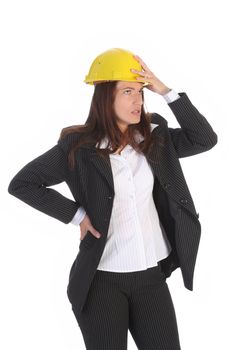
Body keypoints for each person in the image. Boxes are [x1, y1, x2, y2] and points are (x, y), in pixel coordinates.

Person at [8, 47, 218, 350]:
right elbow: (23, 184)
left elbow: (204, 139)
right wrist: (77, 216)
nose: (139, 100)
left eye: (142, 92)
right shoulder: (78, 148)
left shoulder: (156, 139)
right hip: (100, 281)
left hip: (151, 278)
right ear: (106, 98)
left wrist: (165, 90)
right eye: (128, 91)